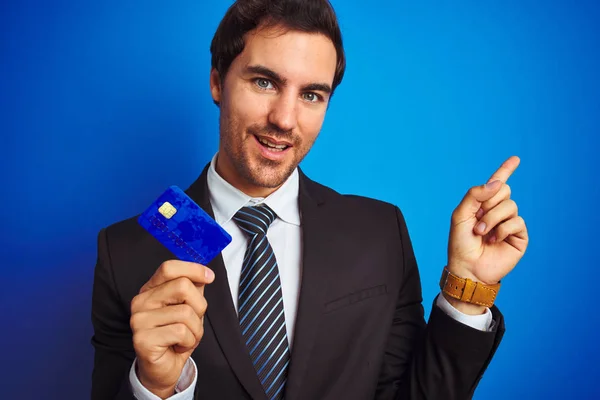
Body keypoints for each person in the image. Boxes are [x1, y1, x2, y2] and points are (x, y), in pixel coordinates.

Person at [90, 0, 529, 399]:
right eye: (264, 82)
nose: (284, 119)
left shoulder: (380, 233)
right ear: (217, 83)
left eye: (311, 95)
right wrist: (155, 387)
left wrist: (468, 293)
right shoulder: (125, 253)